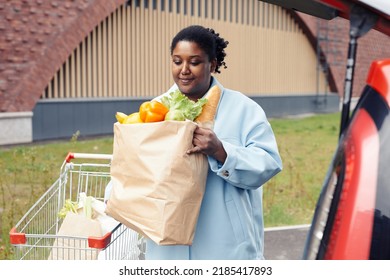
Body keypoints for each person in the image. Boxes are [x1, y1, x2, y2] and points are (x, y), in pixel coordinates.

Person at [145, 25, 283, 260]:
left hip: (225, 247)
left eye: (195, 62)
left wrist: (222, 151)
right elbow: (135, 162)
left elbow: (268, 163)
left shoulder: (244, 109)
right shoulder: (154, 109)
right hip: (167, 249)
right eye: (177, 61)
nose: (184, 70)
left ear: (213, 64)